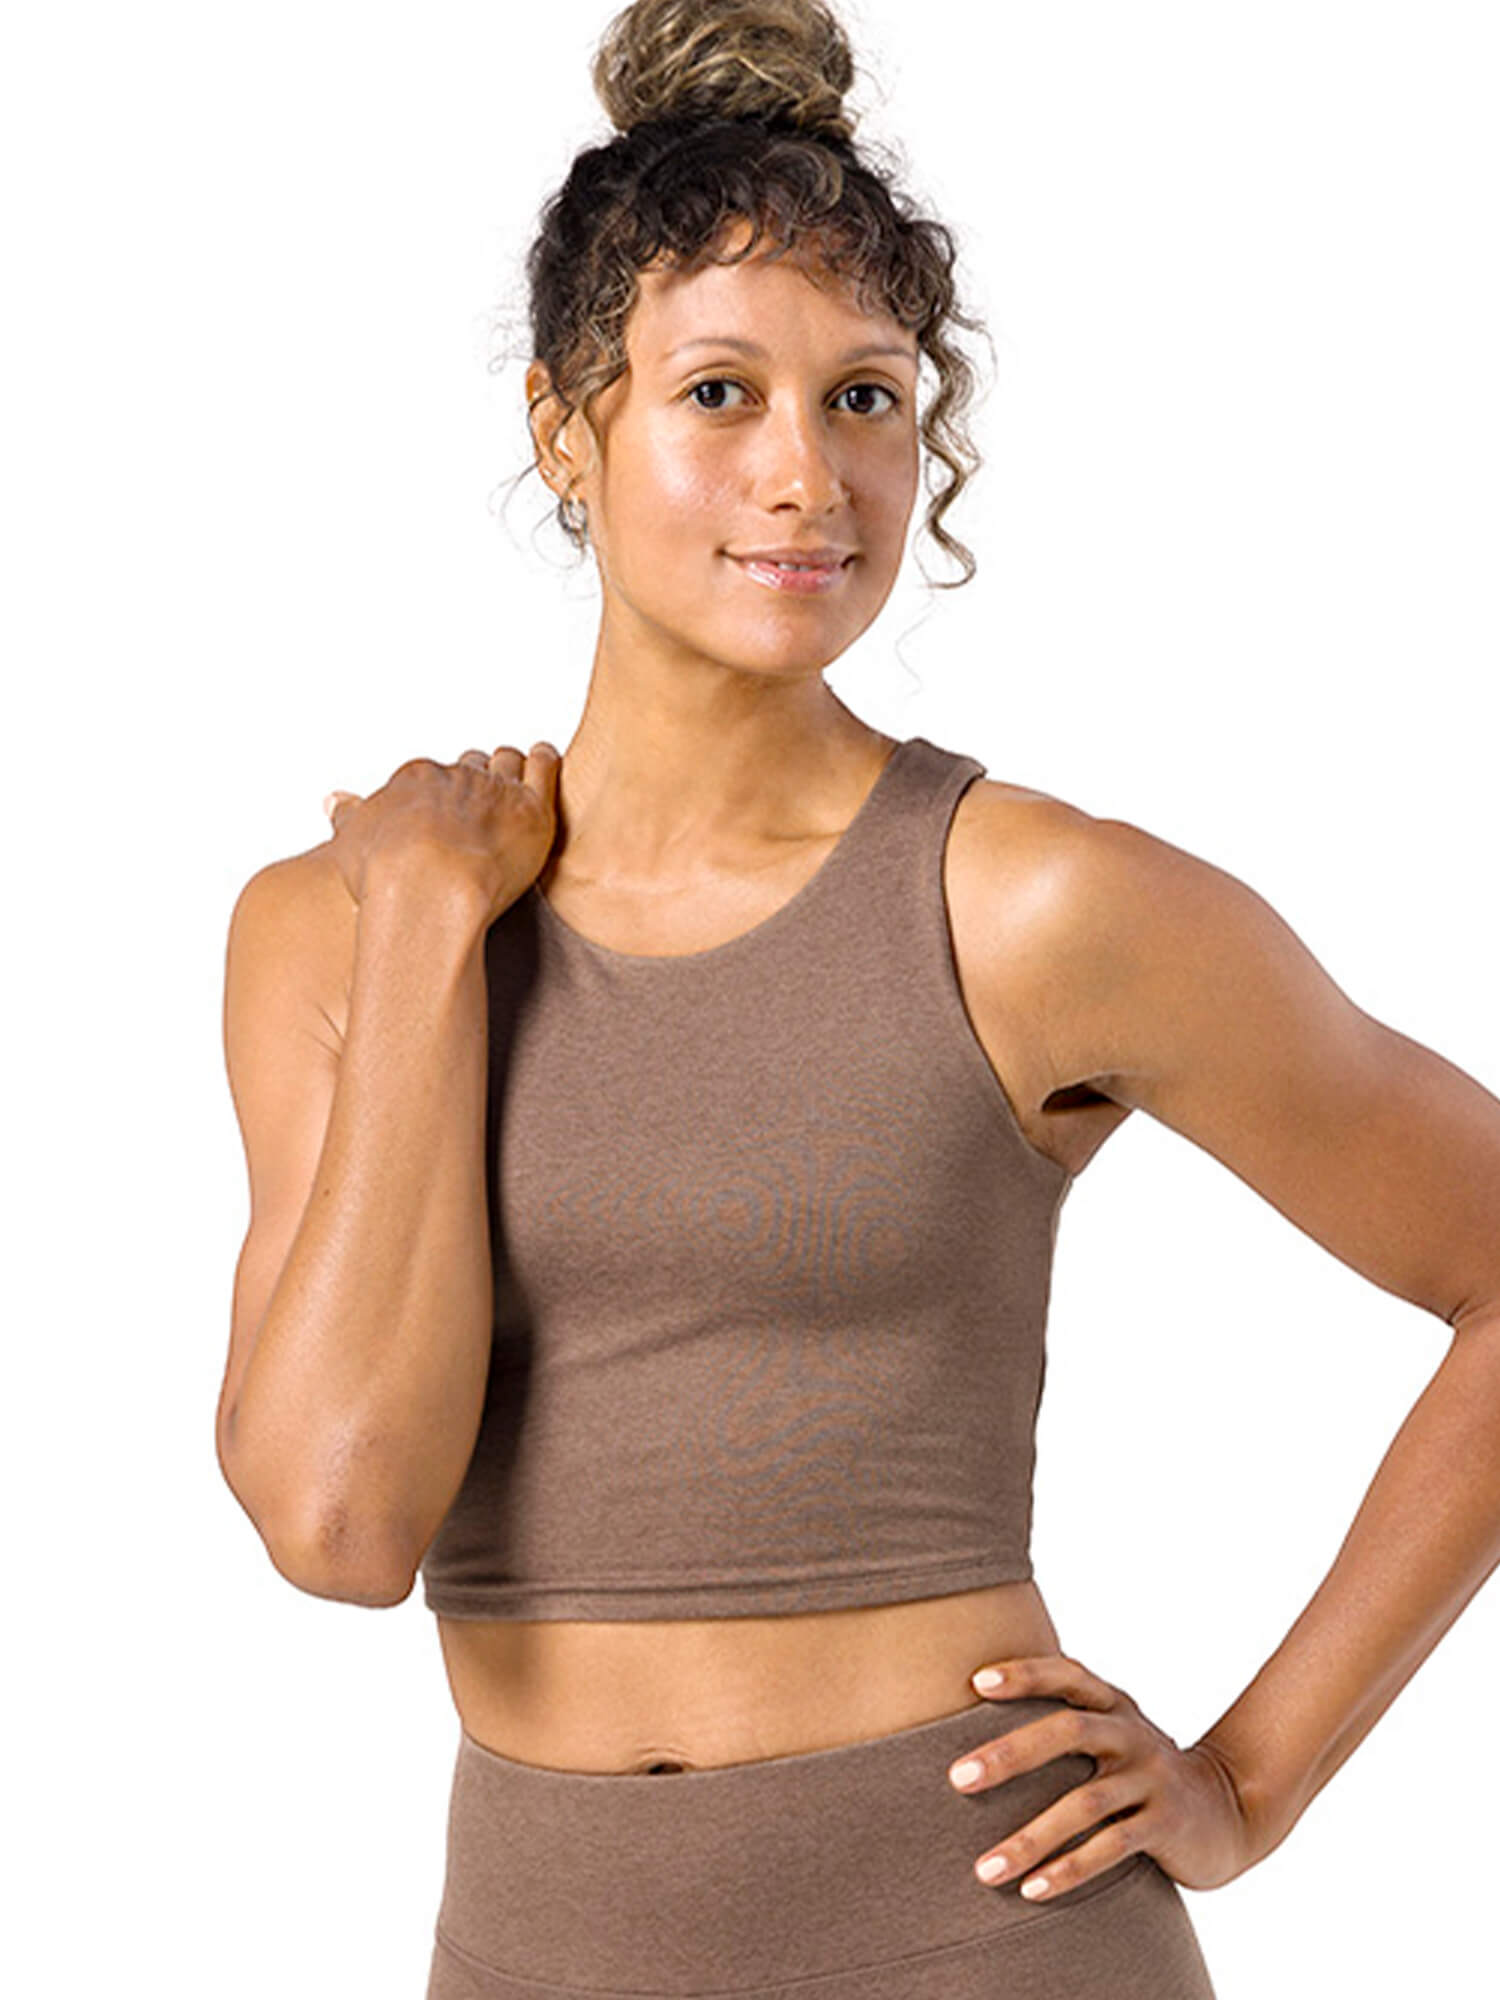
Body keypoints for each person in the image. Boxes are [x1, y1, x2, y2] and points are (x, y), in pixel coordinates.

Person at [215, 3, 1500, 1995]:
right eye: (718, 393)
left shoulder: (1033, 904)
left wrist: (1251, 1780)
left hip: (979, 1938)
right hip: (536, 1949)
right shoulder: (339, 929)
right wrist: (426, 933)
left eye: (868, 400)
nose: (805, 477)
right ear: (564, 430)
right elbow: (335, 1521)